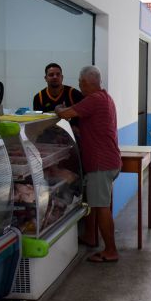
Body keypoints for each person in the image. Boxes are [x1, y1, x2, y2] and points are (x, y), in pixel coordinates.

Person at [55, 66, 121, 263]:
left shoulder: (93, 100)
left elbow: (66, 114)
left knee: (101, 206)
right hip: (109, 160)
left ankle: (110, 250)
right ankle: (91, 237)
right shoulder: (105, 98)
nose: (79, 86)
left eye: (80, 82)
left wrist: (58, 109)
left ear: (86, 82)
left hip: (101, 163)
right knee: (95, 202)